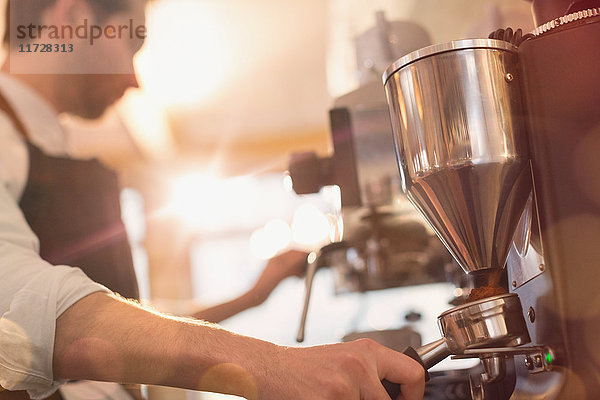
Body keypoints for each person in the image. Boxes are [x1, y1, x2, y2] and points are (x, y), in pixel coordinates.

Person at [0, 1, 426, 400]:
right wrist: (277, 367)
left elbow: (132, 319)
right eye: (131, 41)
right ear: (74, 17)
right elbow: (21, 302)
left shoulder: (45, 149)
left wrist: (253, 295)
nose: (134, 80)